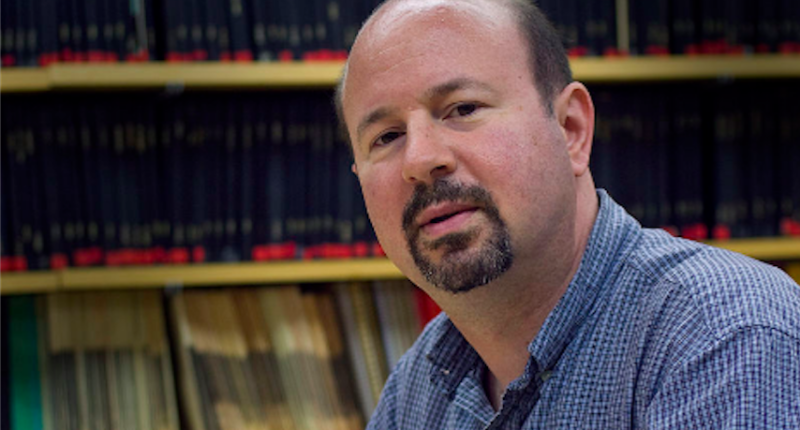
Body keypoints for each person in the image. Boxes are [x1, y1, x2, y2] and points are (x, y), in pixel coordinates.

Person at [335, 0, 800, 428]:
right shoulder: (421, 382)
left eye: (463, 108)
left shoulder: (724, 337)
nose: (419, 160)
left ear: (571, 129)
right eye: (386, 137)